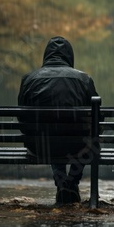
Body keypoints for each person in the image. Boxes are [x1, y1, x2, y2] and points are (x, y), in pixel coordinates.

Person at [18, 36, 99, 204]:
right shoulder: (83, 79)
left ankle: (62, 182)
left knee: (49, 134)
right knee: (91, 140)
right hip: (77, 145)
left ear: (46, 56)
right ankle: (71, 182)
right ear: (69, 57)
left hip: (40, 145)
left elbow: (22, 116)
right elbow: (97, 119)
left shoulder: (28, 80)